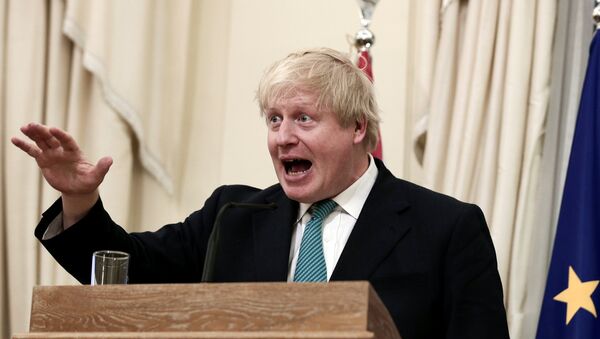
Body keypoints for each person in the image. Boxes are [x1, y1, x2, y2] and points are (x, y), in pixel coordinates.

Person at [11, 48, 509, 339]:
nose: (282, 137)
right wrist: (79, 200)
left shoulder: (446, 228)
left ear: (359, 128)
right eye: (274, 119)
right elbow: (128, 276)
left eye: (303, 119)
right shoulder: (234, 214)